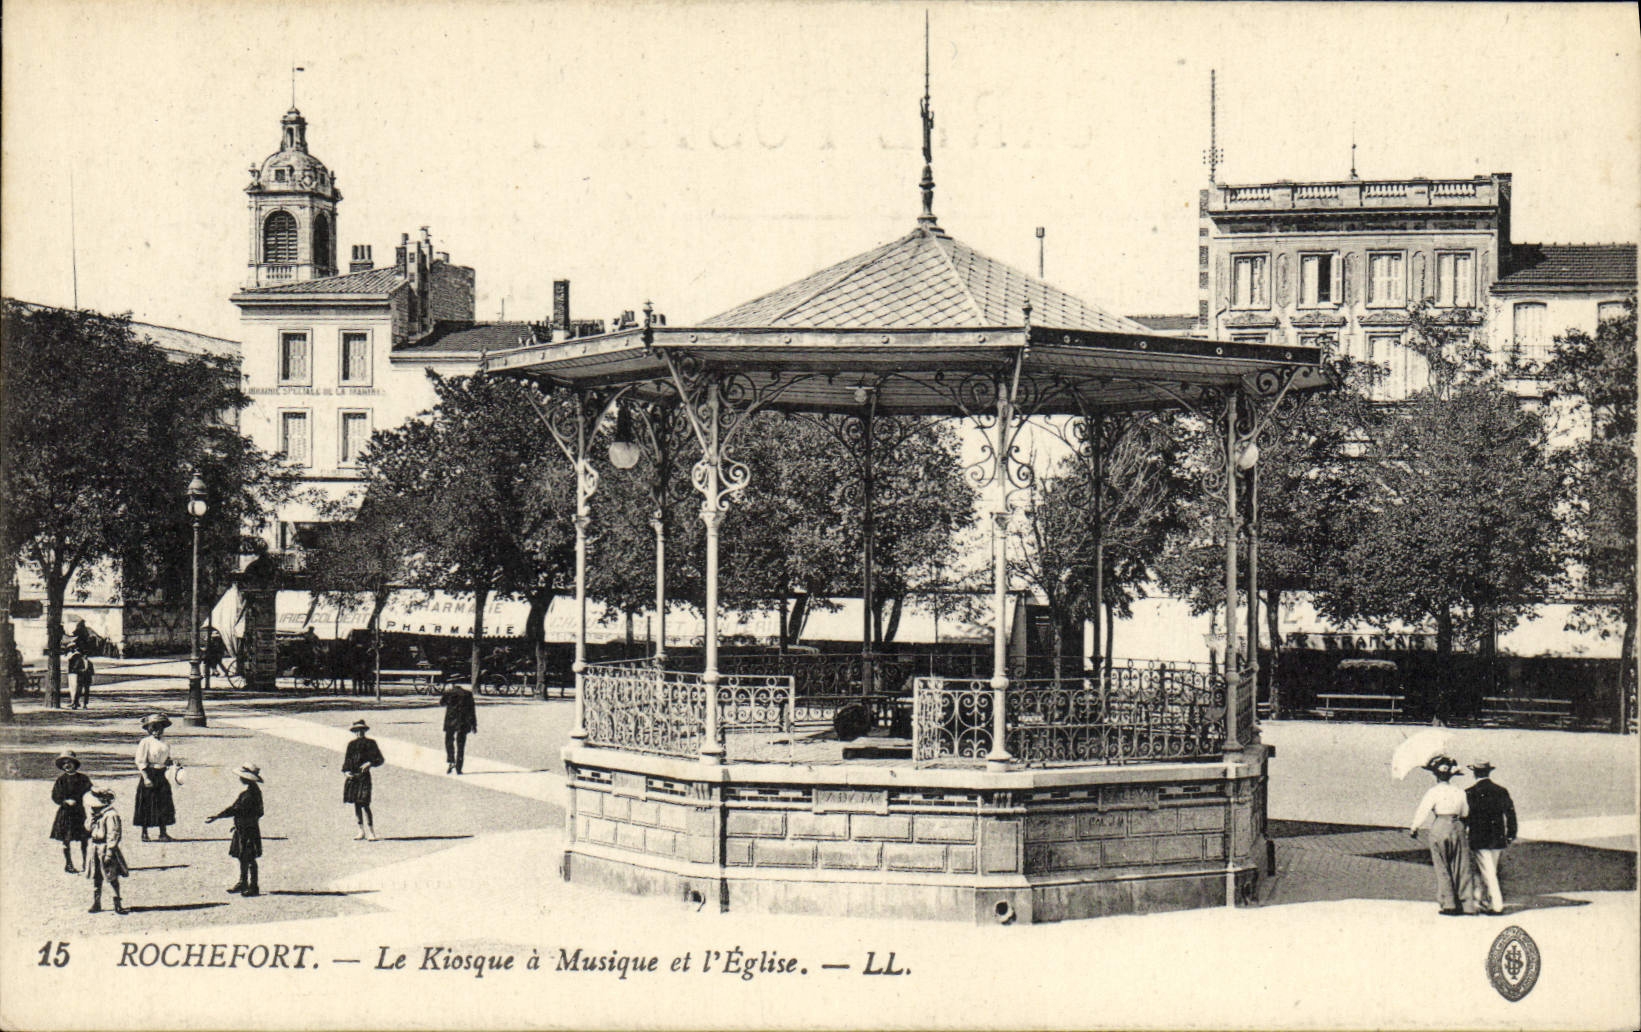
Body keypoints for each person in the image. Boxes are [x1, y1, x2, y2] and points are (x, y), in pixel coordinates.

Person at [1407, 754, 1476, 915]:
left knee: (1442, 866)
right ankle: (1467, 904)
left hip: (1440, 826)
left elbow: (1423, 810)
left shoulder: (1433, 792)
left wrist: (1414, 827)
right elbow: (1465, 812)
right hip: (1457, 826)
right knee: (1461, 866)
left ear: (1435, 775)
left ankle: (1449, 904)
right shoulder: (1459, 792)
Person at [1465, 759, 1518, 915]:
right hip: (1497, 837)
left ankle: (1495, 905)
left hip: (1479, 838)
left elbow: (1466, 816)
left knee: (1486, 871)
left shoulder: (1469, 792)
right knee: (1489, 869)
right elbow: (1510, 813)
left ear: (1474, 773)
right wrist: (1511, 833)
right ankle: (1483, 901)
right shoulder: (1501, 790)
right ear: (1489, 772)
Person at [206, 764, 264, 897]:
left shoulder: (249, 795)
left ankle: (253, 886)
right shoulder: (252, 792)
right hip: (244, 828)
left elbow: (234, 809)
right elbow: (258, 812)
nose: (240, 779)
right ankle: (243, 882)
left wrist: (217, 816)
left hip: (247, 830)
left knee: (249, 858)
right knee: (242, 856)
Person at [133, 713, 177, 842]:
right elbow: (140, 761)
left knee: (163, 802)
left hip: (161, 774)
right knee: (146, 803)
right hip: (149, 773)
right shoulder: (145, 742)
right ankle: (144, 833)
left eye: (160, 728)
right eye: (154, 728)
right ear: (149, 729)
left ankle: (163, 832)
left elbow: (166, 757)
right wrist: (146, 777)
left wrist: (169, 762)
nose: (157, 731)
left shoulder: (166, 743)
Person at [86, 786, 129, 914]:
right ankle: (96, 902)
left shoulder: (111, 815)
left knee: (111, 875)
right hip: (94, 847)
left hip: (105, 848)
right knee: (96, 876)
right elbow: (88, 828)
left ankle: (117, 902)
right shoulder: (95, 815)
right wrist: (92, 820)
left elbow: (113, 834)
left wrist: (110, 851)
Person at [49, 751, 92, 872]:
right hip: (66, 813)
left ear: (74, 764)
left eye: (69, 763)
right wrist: (65, 801)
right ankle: (68, 864)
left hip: (80, 813)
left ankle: (86, 863)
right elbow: (55, 796)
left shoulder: (83, 778)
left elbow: (89, 792)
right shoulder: (61, 780)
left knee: (84, 839)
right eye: (64, 764)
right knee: (66, 839)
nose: (67, 765)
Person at [342, 719, 385, 840]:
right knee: (356, 803)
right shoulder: (351, 745)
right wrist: (346, 772)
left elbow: (380, 759)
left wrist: (370, 763)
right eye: (356, 731)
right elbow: (347, 761)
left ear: (364, 731)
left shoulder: (371, 743)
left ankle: (371, 831)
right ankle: (361, 830)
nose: (358, 733)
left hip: (364, 776)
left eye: (361, 730)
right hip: (353, 777)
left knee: (365, 803)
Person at [440, 679, 478, 774]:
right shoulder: (468, 694)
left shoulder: (448, 692)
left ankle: (451, 759)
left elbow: (441, 703)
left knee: (449, 740)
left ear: (453, 684)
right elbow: (472, 710)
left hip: (450, 720)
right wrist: (474, 724)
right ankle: (459, 767)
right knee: (461, 744)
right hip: (463, 721)